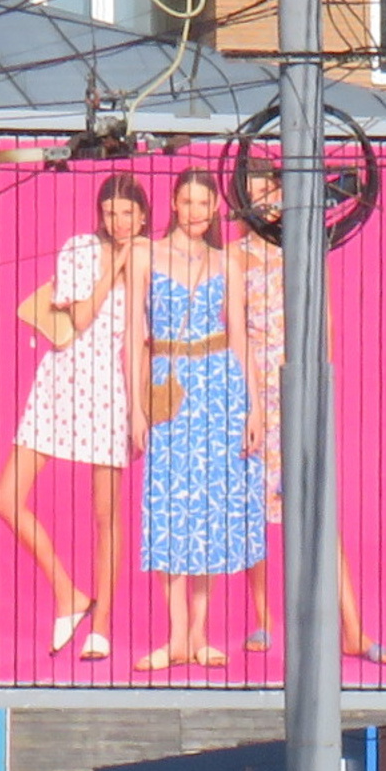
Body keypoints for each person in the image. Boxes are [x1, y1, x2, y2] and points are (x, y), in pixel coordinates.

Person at [230, 161, 386, 665]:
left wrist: (319, 382)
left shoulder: (306, 249)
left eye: (268, 194)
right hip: (254, 389)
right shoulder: (234, 256)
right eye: (253, 197)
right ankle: (261, 621)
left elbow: (323, 324)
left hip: (299, 385)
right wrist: (250, 400)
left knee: (318, 510)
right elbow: (237, 335)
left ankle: (354, 629)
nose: (263, 204)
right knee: (253, 510)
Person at [0, 176, 147, 664]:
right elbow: (80, 319)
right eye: (109, 212)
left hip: (111, 389)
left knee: (106, 516)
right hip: (61, 379)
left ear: (143, 216)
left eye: (127, 213)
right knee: (6, 499)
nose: (117, 222)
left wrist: (140, 408)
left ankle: (100, 626)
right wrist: (112, 268)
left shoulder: (151, 258)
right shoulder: (80, 249)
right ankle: (69, 593)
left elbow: (141, 340)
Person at [131, 172, 264, 670]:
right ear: (173, 203)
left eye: (203, 203)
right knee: (168, 509)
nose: (194, 211)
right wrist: (135, 407)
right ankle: (174, 636)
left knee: (209, 511)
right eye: (186, 201)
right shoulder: (145, 254)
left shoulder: (225, 262)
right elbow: (134, 334)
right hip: (168, 385)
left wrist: (253, 406)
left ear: (214, 209)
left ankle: (200, 634)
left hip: (218, 388)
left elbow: (240, 337)